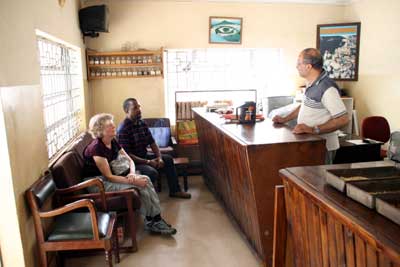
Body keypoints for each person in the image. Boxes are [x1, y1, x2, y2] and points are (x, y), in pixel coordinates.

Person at [83, 113, 177, 235]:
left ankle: (156, 220)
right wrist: (133, 181)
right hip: (97, 183)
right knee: (140, 185)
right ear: (100, 130)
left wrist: (132, 174)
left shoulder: (113, 141)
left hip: (109, 177)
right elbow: (108, 176)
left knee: (146, 180)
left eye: (112, 124)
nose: (113, 126)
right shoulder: (96, 148)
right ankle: (151, 222)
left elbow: (130, 160)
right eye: (109, 125)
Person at [272, 48, 349, 164]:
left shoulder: (327, 88)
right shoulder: (311, 82)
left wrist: (313, 129)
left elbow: (343, 119)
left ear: (308, 66)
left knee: (319, 182)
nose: (296, 66)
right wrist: (284, 119)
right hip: (310, 144)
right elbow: (305, 105)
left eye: (299, 63)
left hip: (324, 147)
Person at [117, 98, 191, 199]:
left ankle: (175, 190)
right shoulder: (123, 129)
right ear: (127, 111)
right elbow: (127, 156)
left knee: (168, 159)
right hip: (132, 163)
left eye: (139, 107)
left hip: (144, 155)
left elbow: (152, 142)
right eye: (135, 108)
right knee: (151, 172)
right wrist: (148, 162)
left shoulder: (141, 123)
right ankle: (148, 198)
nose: (139, 110)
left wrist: (159, 157)